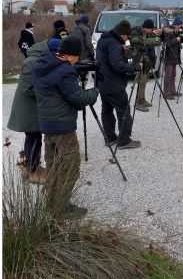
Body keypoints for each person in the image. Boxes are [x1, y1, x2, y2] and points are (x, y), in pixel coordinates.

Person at [31, 36, 99, 218]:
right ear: (71, 56)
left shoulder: (42, 66)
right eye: (77, 57)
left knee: (54, 166)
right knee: (70, 166)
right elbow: (78, 99)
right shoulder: (65, 72)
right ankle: (62, 207)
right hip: (63, 128)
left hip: (47, 126)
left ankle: (51, 202)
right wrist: (94, 92)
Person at [7, 30, 54, 183]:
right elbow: (29, 88)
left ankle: (31, 168)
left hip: (32, 108)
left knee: (33, 137)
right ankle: (33, 171)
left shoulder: (34, 60)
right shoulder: (32, 62)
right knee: (34, 138)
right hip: (29, 109)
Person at [95, 20, 141, 149]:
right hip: (113, 83)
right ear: (122, 34)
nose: (127, 39)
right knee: (124, 110)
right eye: (126, 36)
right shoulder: (114, 44)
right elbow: (117, 65)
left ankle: (110, 138)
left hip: (102, 81)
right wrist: (134, 67)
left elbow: (107, 58)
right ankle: (124, 140)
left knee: (107, 110)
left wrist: (121, 49)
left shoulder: (104, 40)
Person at [129, 19, 161, 112]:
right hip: (140, 60)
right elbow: (135, 40)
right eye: (151, 29)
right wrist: (151, 39)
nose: (151, 31)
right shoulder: (136, 32)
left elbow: (156, 40)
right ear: (146, 28)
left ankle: (142, 100)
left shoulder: (147, 33)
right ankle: (138, 103)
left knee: (144, 81)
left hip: (147, 60)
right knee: (141, 81)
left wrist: (155, 35)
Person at [162, 16, 183, 99]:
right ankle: (166, 93)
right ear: (175, 24)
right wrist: (177, 40)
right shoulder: (168, 31)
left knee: (173, 75)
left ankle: (173, 91)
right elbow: (167, 44)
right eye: (179, 25)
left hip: (175, 56)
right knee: (168, 75)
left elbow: (180, 40)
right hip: (169, 57)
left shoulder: (176, 31)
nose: (180, 27)